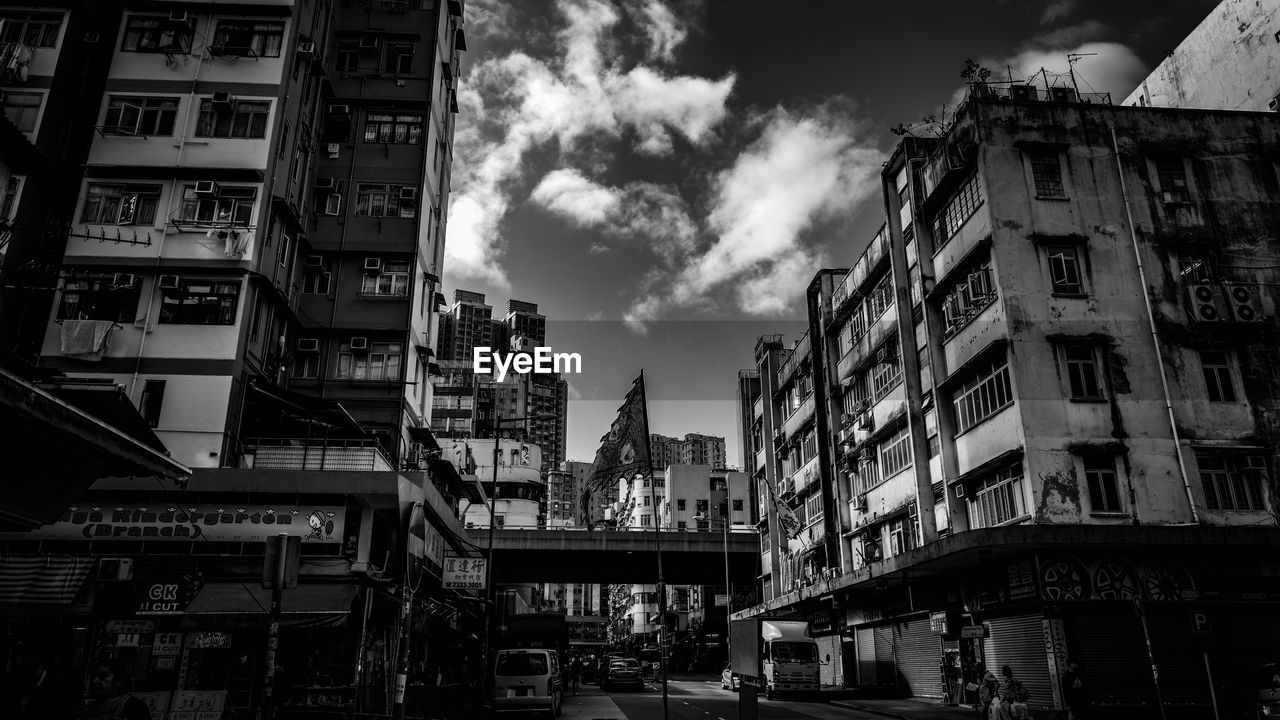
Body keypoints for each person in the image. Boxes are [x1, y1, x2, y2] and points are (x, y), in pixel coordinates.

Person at [77, 660, 151, 720]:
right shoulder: (88, 709)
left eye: (102, 676)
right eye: (93, 676)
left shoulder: (133, 707)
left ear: (119, 680)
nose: (95, 681)